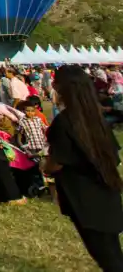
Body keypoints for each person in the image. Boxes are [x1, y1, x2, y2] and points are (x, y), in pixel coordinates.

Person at [46, 65, 123, 271]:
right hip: (107, 192)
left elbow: (55, 162)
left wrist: (45, 166)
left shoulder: (64, 122)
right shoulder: (96, 118)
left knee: (109, 259)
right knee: (112, 253)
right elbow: (114, 156)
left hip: (83, 198)